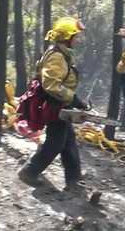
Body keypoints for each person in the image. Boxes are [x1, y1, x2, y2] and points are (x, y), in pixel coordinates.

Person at [18, 17, 88, 187]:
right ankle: (29, 171)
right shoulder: (57, 57)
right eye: (76, 36)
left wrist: (73, 100)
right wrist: (75, 99)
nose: (78, 40)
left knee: (69, 140)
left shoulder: (62, 54)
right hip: (55, 106)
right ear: (66, 37)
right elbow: (52, 85)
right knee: (55, 143)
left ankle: (74, 177)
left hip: (61, 104)